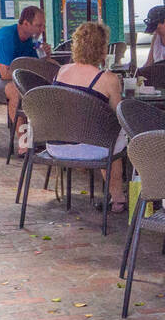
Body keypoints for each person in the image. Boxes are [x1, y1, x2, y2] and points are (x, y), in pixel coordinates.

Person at [52, 21, 128, 211]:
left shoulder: (61, 71)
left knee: (102, 133)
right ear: (102, 49)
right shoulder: (108, 79)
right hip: (89, 149)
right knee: (118, 135)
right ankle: (118, 197)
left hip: (56, 146)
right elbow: (119, 117)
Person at [0, 5, 48, 131]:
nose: (42, 30)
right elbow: (5, 74)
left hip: (1, 80)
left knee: (42, 87)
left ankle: (42, 135)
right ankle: (24, 144)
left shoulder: (30, 40)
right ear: (26, 24)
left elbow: (34, 66)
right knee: (15, 90)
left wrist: (45, 57)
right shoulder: (7, 36)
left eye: (43, 26)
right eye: (39, 26)